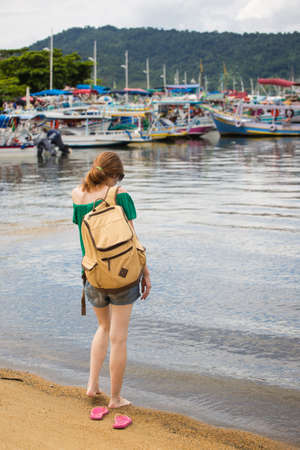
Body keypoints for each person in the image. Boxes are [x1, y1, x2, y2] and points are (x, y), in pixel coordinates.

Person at [72, 151, 151, 408]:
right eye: (120, 176)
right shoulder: (120, 195)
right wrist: (146, 272)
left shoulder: (77, 196)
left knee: (103, 329)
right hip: (122, 275)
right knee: (119, 337)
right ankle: (115, 398)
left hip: (92, 274)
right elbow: (133, 238)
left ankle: (92, 386)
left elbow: (84, 239)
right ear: (114, 175)